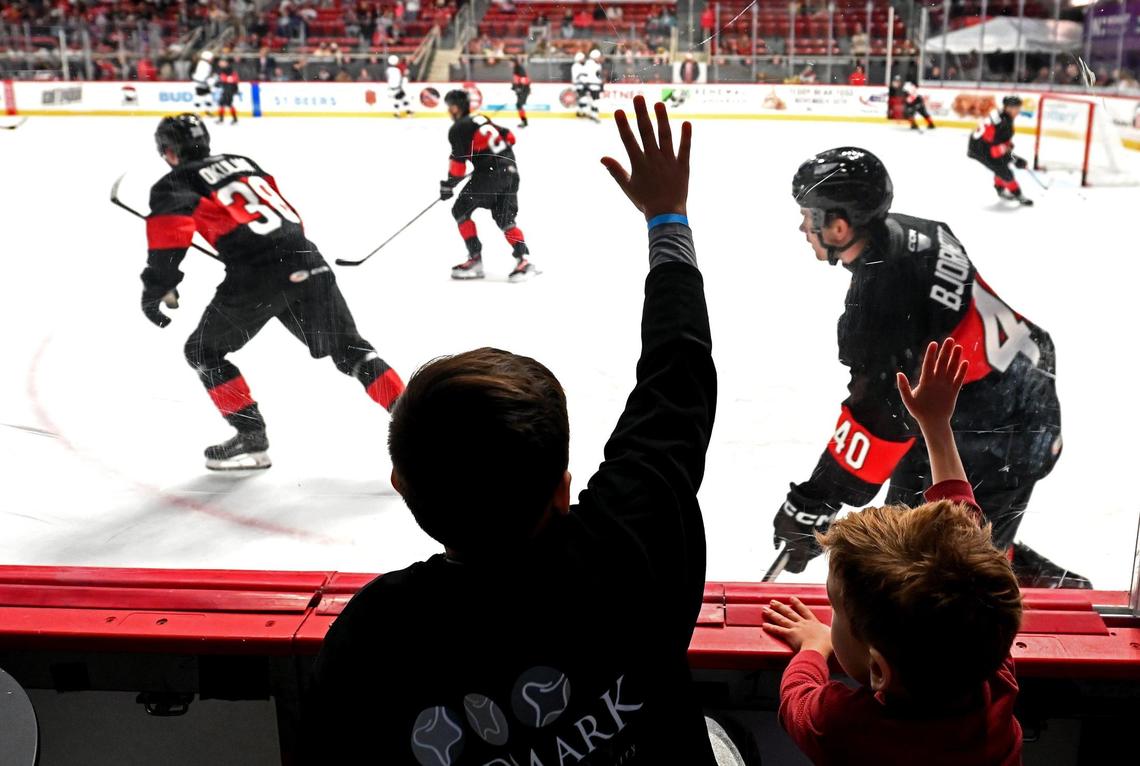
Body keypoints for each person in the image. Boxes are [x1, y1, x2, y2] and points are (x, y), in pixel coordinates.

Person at [303, 96, 719, 766]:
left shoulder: (374, 636)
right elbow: (678, 381)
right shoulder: (629, 544)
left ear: (403, 488)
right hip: (511, 178)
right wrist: (667, 220)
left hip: (489, 177)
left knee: (475, 215)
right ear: (562, 487)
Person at [771, 146, 1089, 588]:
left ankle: (1048, 590)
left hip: (1006, 427)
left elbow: (880, 418)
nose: (803, 227)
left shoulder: (882, 301)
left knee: (946, 574)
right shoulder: (914, 232)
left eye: (810, 216)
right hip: (991, 394)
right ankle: (1011, 563)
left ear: (839, 226)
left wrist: (814, 501)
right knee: (909, 541)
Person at [764, 338, 1024, 765]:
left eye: (836, 611)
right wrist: (937, 427)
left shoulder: (843, 727)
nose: (830, 623)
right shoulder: (988, 670)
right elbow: (968, 540)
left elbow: (797, 700)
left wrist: (813, 648)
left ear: (880, 670)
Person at [141, 114, 405, 470]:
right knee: (352, 350)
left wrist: (157, 285)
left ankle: (251, 438)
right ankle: (422, 427)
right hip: (306, 256)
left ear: (168, 152)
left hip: (257, 274)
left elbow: (168, 237)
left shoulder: (175, 181)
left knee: (203, 350)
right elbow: (280, 215)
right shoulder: (244, 163)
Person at [439, 89, 538, 282]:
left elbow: (458, 168)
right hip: (511, 172)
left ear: (455, 108)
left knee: (460, 210)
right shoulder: (480, 118)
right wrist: (486, 154)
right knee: (506, 220)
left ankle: (475, 260)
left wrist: (448, 186)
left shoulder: (458, 128)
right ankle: (523, 261)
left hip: (490, 175)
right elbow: (510, 138)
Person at [968, 95, 1032, 206]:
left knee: (1003, 164)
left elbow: (1001, 144)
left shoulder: (1002, 117)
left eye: (1019, 107)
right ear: (1008, 108)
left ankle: (1000, 188)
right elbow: (996, 151)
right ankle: (1018, 194)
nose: (1018, 110)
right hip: (980, 149)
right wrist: (1015, 159)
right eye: (1016, 108)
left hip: (982, 145)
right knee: (1005, 172)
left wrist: (1012, 156)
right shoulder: (1004, 123)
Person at [214, 58, 239, 125]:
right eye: (220, 62)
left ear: (226, 63)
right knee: (223, 103)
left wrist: (222, 81)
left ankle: (233, 119)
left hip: (229, 89)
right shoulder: (223, 69)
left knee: (228, 104)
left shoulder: (229, 69)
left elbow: (232, 79)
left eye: (222, 62)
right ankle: (224, 119)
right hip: (226, 89)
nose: (220, 64)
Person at [191, 49, 214, 114]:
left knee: (207, 97)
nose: (212, 59)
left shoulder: (202, 63)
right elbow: (202, 76)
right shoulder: (204, 65)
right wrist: (210, 80)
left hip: (201, 82)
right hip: (201, 83)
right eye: (211, 58)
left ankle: (207, 111)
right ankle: (196, 112)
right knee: (200, 97)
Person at [511, 55, 531, 128]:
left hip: (524, 90)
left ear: (514, 62)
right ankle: (524, 121)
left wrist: (520, 89)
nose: (509, 64)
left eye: (511, 62)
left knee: (519, 105)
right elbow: (516, 79)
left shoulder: (519, 68)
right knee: (519, 105)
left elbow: (524, 80)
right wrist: (514, 87)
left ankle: (524, 122)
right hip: (521, 90)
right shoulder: (516, 68)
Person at [571, 50, 590, 119]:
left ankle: (580, 112)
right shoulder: (575, 66)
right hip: (578, 86)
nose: (584, 59)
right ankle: (581, 112)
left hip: (583, 85)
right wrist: (586, 80)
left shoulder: (582, 66)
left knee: (583, 99)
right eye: (583, 58)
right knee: (583, 99)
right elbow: (579, 77)